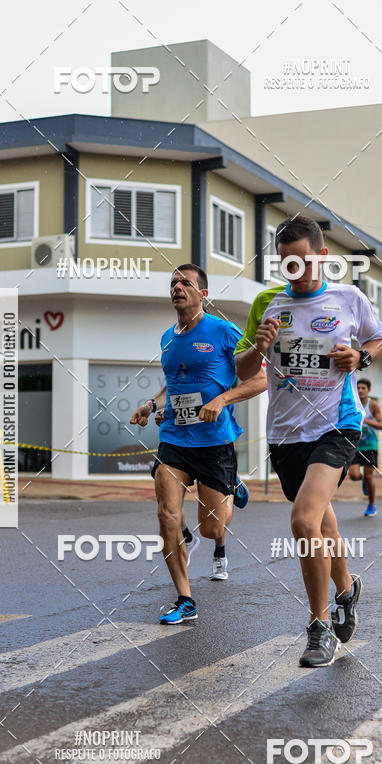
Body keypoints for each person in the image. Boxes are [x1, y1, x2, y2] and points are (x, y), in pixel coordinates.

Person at [234, 215, 382, 667]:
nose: (295, 270)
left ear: (322, 256)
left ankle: (319, 628)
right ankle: (347, 590)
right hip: (285, 434)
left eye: (302, 261)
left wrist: (359, 357)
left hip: (337, 425)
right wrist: (259, 346)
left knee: (304, 521)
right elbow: (243, 370)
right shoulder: (267, 302)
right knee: (324, 525)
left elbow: (378, 339)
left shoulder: (349, 298)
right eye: (286, 263)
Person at [131, 264, 266, 624]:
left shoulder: (223, 331)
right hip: (174, 437)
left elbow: (260, 379)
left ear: (203, 294)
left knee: (211, 529)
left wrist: (222, 399)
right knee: (167, 514)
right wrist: (152, 405)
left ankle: (231, 485)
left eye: (185, 283)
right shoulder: (167, 337)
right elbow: (173, 384)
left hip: (214, 441)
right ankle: (185, 599)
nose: (177, 287)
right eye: (173, 282)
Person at [348, 379, 382, 516]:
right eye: (358, 388)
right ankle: (363, 480)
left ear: (368, 390)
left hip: (370, 446)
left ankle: (371, 505)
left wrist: (364, 420)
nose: (360, 390)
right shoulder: (352, 404)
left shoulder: (373, 405)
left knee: (370, 477)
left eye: (363, 388)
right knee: (354, 475)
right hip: (355, 445)